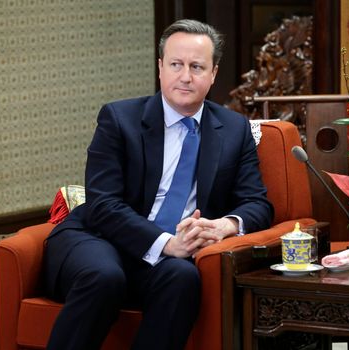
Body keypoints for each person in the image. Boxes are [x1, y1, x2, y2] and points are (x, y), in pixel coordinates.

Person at [43, 19, 273, 350]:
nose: (185, 76)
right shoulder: (119, 119)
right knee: (106, 277)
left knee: (183, 278)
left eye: (197, 67)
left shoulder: (234, 130)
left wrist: (224, 225)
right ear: (161, 67)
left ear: (213, 74)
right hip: (96, 238)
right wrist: (167, 243)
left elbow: (258, 203)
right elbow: (103, 205)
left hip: (164, 261)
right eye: (176, 64)